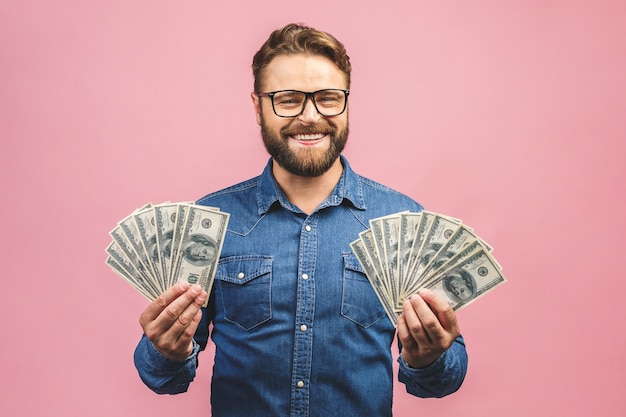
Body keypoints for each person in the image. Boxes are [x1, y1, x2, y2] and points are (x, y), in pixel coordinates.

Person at [134, 23, 468, 416]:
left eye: (328, 98)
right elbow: (165, 379)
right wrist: (164, 351)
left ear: (346, 103)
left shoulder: (404, 221)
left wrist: (429, 358)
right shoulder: (210, 222)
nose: (310, 116)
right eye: (288, 99)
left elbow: (443, 380)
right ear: (258, 107)